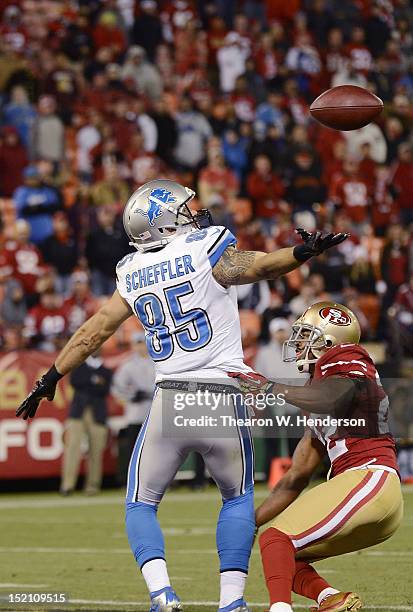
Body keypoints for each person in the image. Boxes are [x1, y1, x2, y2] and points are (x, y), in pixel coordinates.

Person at [16, 179, 347, 612]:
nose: (196, 213)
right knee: (238, 498)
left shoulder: (131, 271)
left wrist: (50, 377)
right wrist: (303, 252)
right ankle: (232, 601)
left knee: (140, 503)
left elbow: (92, 332)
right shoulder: (203, 248)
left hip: (170, 398)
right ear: (163, 221)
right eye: (185, 208)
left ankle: (162, 594)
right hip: (220, 396)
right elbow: (260, 267)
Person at [230, 302, 403, 612]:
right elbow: (297, 475)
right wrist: (250, 521)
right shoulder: (316, 391)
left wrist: (270, 387)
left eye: (306, 336)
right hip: (369, 493)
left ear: (329, 341)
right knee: (282, 552)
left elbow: (333, 398)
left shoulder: (346, 357)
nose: (298, 344)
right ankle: (330, 598)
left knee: (277, 538)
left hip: (369, 476)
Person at [60, 352, 112, 496]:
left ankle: (93, 486)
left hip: (97, 414)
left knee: (96, 451)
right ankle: (67, 485)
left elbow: (104, 390)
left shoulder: (105, 371)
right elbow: (75, 382)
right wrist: (95, 381)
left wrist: (89, 382)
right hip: (78, 412)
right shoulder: (79, 367)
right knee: (72, 448)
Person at [111, 331, 155, 484]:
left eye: (143, 343)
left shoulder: (157, 362)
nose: (141, 347)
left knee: (156, 450)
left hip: (155, 411)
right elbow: (117, 387)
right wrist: (132, 395)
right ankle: (134, 481)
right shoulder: (128, 365)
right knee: (135, 449)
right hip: (136, 412)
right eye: (138, 343)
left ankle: (156, 481)